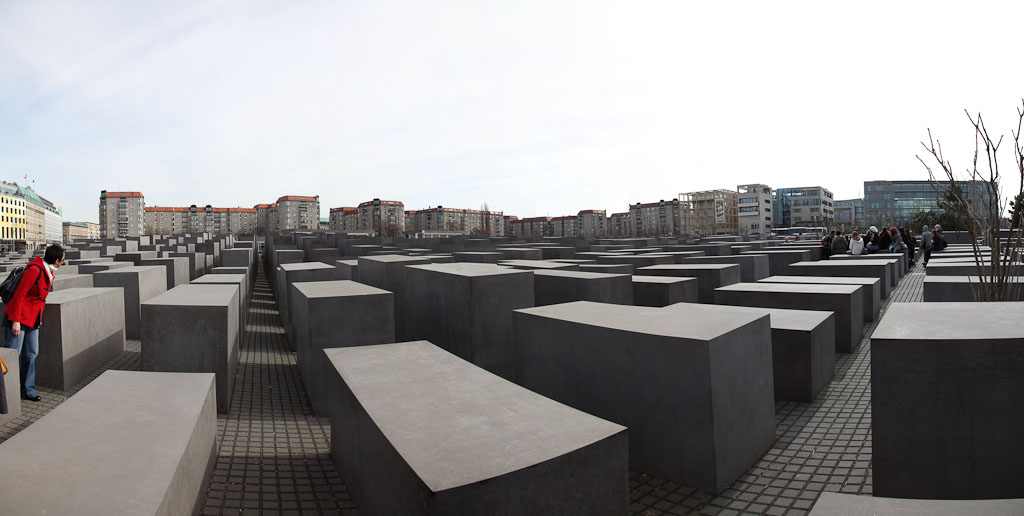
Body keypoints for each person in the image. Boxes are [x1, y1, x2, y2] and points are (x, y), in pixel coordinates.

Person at [4, 244, 65, 402]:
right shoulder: (35, 271)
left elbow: (39, 300)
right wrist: (16, 321)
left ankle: (27, 389)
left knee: (31, 354)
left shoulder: (47, 272)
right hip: (18, 318)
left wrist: (38, 319)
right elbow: (19, 296)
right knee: (12, 355)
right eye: (63, 260)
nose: (63, 263)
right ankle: (7, 393)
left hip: (32, 319)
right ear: (56, 260)